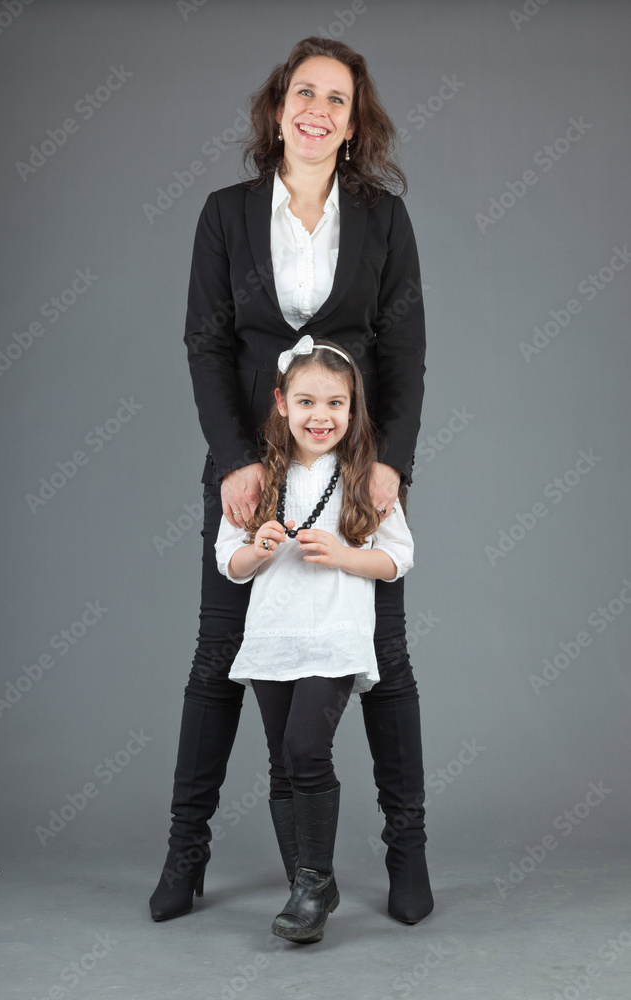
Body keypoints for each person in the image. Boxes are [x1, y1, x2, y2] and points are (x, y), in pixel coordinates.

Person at [149, 36, 433, 927]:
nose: (316, 110)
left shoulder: (382, 219)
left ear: (353, 126)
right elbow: (204, 344)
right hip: (249, 464)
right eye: (302, 93)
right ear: (278, 110)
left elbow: (407, 352)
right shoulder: (225, 214)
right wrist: (235, 460)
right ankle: (184, 852)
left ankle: (407, 852)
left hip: (354, 466)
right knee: (214, 664)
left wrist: (391, 465)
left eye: (336, 101)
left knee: (382, 665)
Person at [214, 335, 415, 943]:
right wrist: (256, 550)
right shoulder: (259, 481)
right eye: (306, 401)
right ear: (280, 402)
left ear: (352, 411)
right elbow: (228, 561)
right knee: (281, 764)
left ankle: (311, 883)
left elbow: (398, 559)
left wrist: (346, 556)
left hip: (335, 634)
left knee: (306, 748)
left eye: (335, 403)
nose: (320, 416)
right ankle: (310, 886)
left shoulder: (366, 481)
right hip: (273, 635)